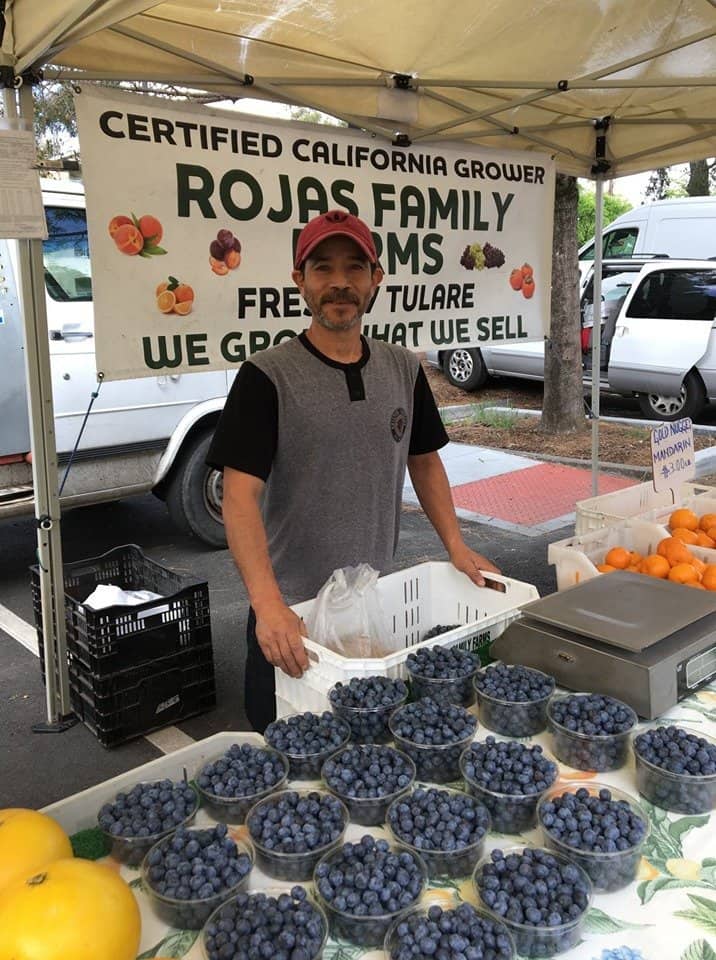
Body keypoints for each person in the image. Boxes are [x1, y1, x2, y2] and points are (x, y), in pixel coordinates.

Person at [207, 209, 500, 732]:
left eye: (354, 268)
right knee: (285, 747)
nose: (339, 283)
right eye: (322, 268)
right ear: (300, 280)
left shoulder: (403, 369)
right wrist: (267, 604)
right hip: (291, 611)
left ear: (375, 279)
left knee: (368, 748)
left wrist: (456, 545)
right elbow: (239, 498)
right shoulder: (265, 377)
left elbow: (425, 461)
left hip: (374, 601)